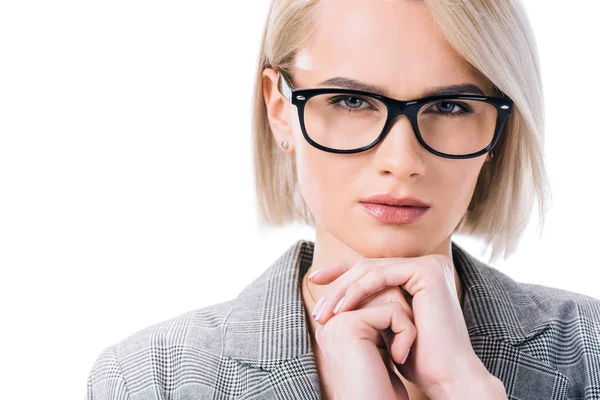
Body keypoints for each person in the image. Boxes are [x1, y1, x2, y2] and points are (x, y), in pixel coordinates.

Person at [85, 0, 600, 399]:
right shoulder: (151, 380)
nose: (402, 160)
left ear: (501, 127)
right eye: (352, 100)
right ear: (279, 109)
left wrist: (465, 391)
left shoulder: (590, 351)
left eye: (450, 105)